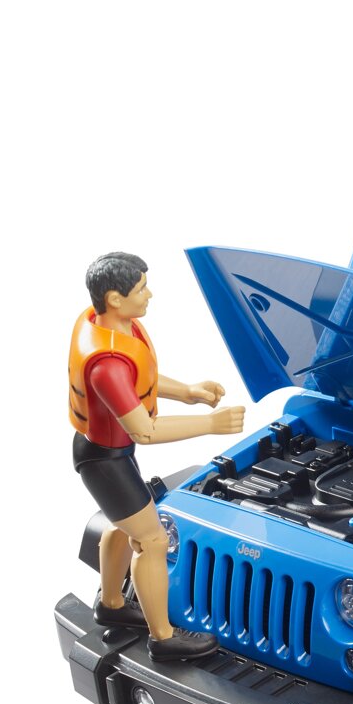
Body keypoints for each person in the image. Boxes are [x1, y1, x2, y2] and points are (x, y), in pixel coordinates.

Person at [69, 252, 245, 661]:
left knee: (122, 524)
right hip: (104, 460)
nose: (149, 295)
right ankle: (163, 639)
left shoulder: (111, 328)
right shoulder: (106, 365)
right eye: (141, 289)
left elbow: (139, 379)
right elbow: (144, 431)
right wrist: (210, 424)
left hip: (112, 452)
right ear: (114, 299)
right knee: (151, 540)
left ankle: (111, 605)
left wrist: (187, 392)